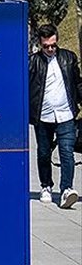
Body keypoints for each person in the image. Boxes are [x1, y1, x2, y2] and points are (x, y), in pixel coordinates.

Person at [29, 23, 81, 209]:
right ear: (40, 44)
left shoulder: (68, 58)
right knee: (43, 153)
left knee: (66, 152)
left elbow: (76, 83)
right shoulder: (32, 62)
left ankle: (67, 189)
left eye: (53, 45)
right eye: (46, 46)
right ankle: (46, 186)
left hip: (66, 113)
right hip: (43, 116)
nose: (50, 49)